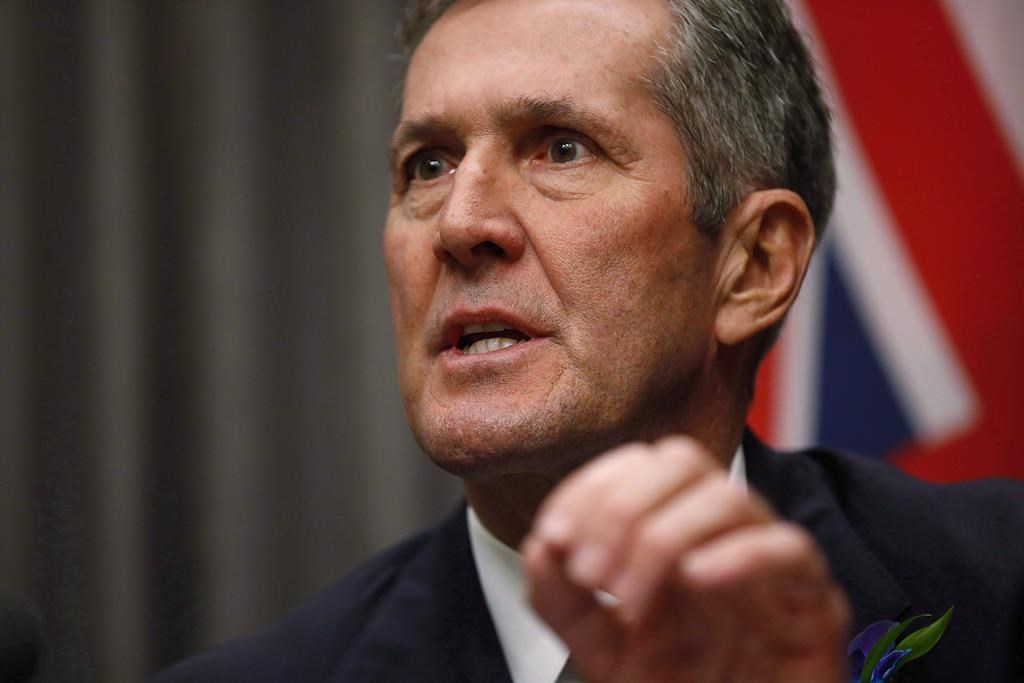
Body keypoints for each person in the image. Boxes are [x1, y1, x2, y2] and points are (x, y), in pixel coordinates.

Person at [155, 0, 1024, 681]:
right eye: (428, 164)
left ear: (753, 266)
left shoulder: (1000, 591)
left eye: (560, 149)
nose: (460, 223)